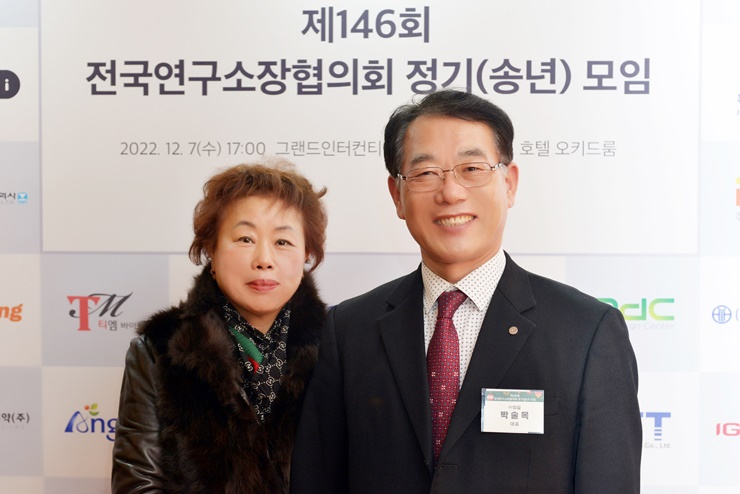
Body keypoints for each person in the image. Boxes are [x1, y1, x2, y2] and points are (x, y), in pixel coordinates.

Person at [290, 89, 641, 493]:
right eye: (426, 173)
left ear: (509, 183)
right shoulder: (350, 330)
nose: (451, 192)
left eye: (472, 168)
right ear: (397, 195)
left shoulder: (586, 332)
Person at [112, 160, 328, 493]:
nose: (264, 259)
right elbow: (138, 484)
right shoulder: (159, 349)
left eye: (283, 242)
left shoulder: (339, 345)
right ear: (211, 249)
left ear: (307, 255)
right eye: (245, 238)